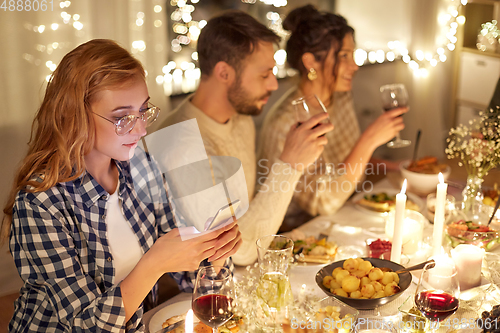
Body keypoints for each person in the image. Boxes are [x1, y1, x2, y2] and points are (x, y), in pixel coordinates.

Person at [1, 39, 241, 332]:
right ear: (74, 115)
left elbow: (192, 277)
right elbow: (86, 326)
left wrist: (216, 250)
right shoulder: (40, 203)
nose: (141, 129)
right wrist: (154, 264)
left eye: (143, 111)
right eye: (122, 118)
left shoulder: (141, 166)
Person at [157, 11, 333, 266]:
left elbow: (245, 221)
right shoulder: (182, 147)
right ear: (224, 73)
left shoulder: (241, 119)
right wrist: (290, 165)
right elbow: (239, 252)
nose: (274, 85)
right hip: (200, 291)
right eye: (264, 74)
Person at [258, 5, 408, 229]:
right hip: (295, 232)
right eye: (344, 56)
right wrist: (369, 140)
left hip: (343, 212)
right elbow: (323, 203)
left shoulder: (340, 97)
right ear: (310, 63)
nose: (354, 66)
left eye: (352, 54)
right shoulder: (287, 123)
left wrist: (393, 166)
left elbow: (343, 165)